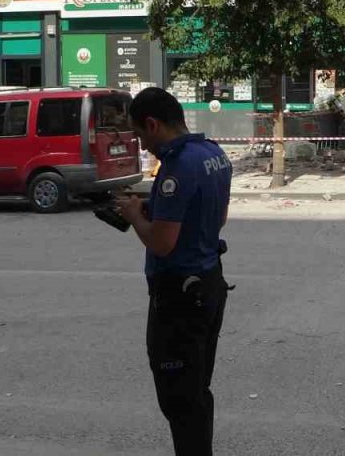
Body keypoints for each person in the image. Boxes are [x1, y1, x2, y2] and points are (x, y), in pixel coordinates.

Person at [113, 87, 232, 456]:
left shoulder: (177, 167)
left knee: (180, 399)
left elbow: (161, 243)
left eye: (140, 135)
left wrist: (134, 216)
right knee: (196, 392)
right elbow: (216, 219)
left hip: (179, 298)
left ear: (153, 124)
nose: (143, 146)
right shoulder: (213, 153)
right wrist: (158, 210)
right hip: (208, 285)